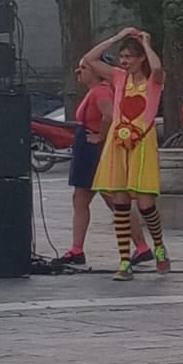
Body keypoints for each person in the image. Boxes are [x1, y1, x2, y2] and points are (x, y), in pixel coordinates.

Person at [80, 28, 169, 281]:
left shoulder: (154, 81)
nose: (124, 61)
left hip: (142, 144)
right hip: (118, 144)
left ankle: (159, 247)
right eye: (122, 57)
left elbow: (157, 67)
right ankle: (124, 260)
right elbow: (89, 59)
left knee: (145, 204)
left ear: (141, 59)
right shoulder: (119, 78)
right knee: (120, 202)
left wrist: (147, 44)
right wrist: (117, 37)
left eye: (129, 57)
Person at [59, 61, 149, 270]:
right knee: (81, 198)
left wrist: (100, 136)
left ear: (96, 72)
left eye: (83, 68)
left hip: (93, 149)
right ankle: (77, 249)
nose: (78, 71)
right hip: (88, 147)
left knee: (113, 199)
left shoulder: (101, 91)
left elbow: (109, 115)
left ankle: (141, 246)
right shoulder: (95, 91)